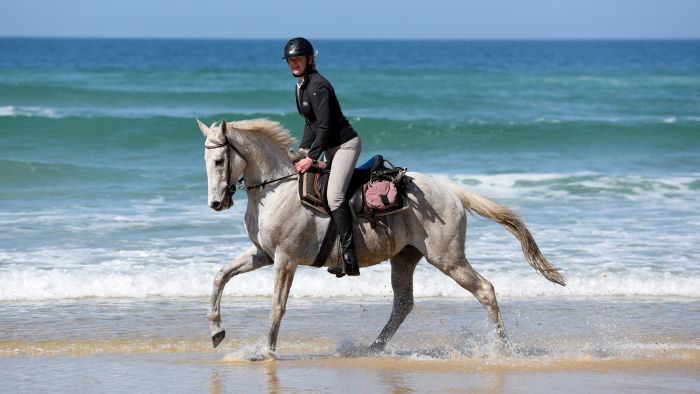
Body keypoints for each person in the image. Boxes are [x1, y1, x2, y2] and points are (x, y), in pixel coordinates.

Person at [285, 37, 362, 277]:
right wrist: (303, 150)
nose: (294, 63)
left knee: (334, 197)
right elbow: (311, 123)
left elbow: (326, 127)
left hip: (345, 146)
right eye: (290, 60)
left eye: (298, 59)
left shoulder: (318, 86)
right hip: (329, 148)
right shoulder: (301, 86)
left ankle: (349, 257)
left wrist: (312, 157)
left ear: (309, 59)